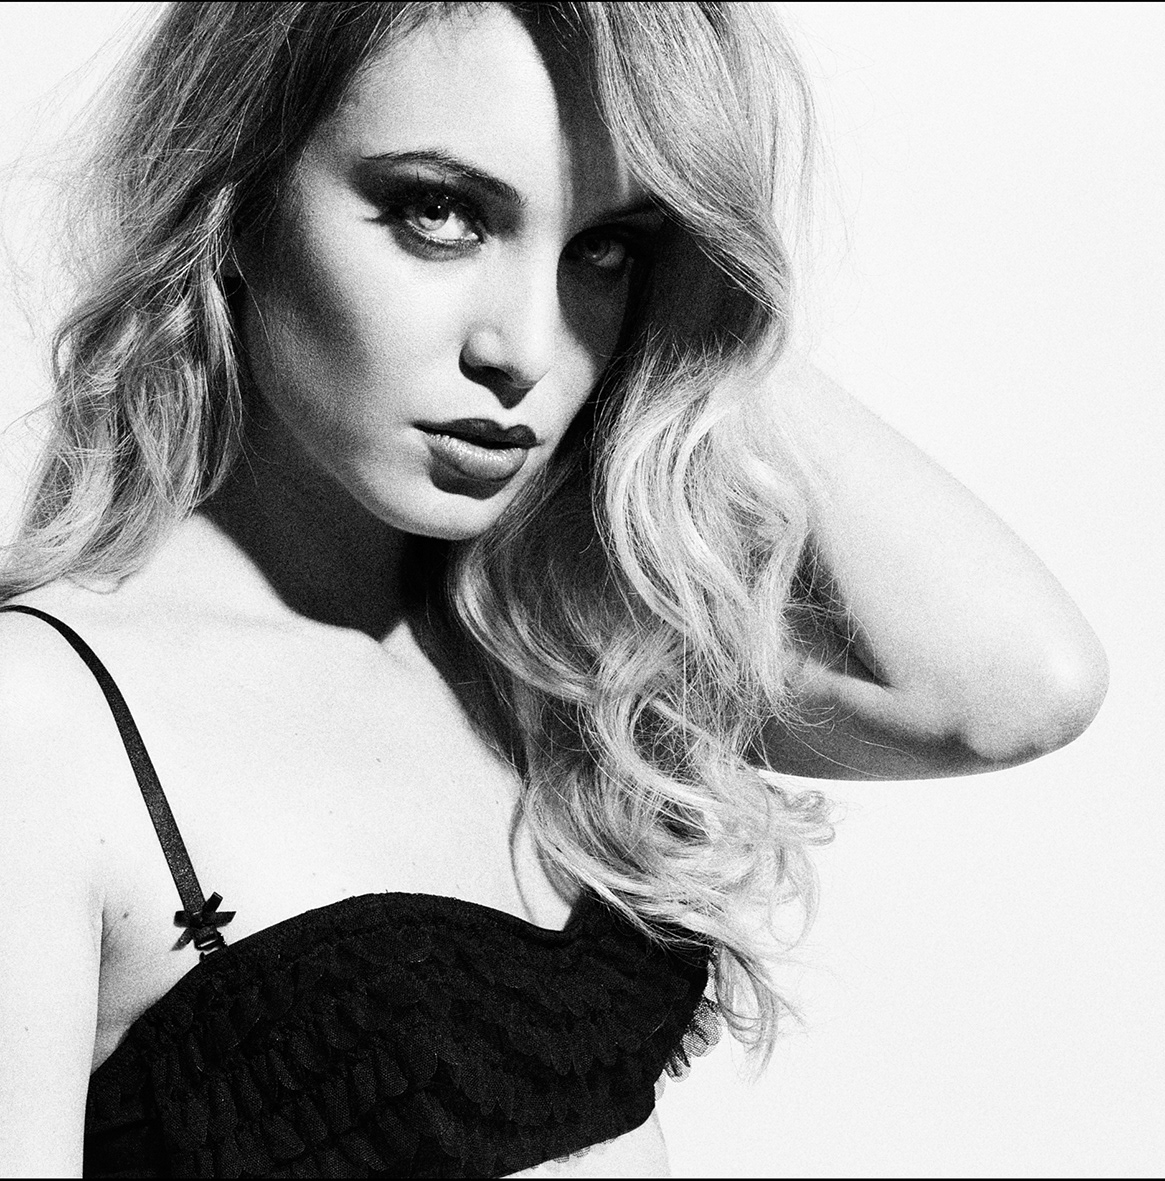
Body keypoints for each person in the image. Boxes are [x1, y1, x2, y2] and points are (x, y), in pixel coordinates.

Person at [0, 2, 1108, 1177]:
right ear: (232, 196)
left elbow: (1016, 690)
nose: (527, 346)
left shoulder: (546, 634)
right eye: (440, 212)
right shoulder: (41, 726)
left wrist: (708, 312)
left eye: (603, 247)